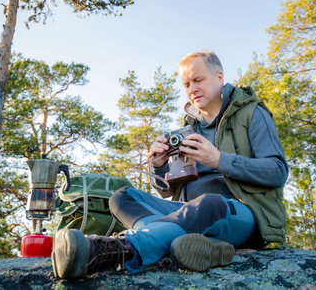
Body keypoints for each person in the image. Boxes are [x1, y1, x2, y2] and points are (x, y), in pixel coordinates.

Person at [51, 50, 288, 279]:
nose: (192, 89)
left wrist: (218, 160)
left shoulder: (252, 113)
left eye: (198, 80)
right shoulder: (188, 128)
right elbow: (167, 190)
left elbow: (278, 171)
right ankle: (203, 246)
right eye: (186, 84)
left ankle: (118, 250)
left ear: (219, 77)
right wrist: (159, 166)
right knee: (121, 197)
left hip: (244, 217)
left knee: (207, 204)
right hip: (188, 213)